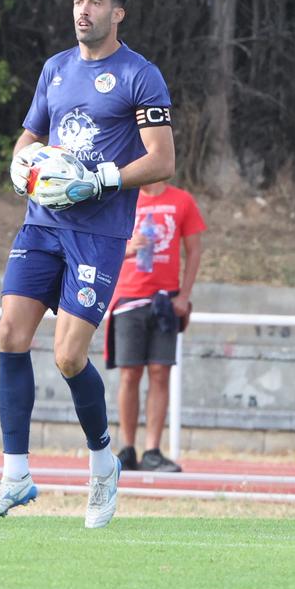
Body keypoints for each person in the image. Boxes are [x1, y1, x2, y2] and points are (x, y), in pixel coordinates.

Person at [0, 0, 175, 529]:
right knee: (10, 334)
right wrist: (22, 167)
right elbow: (30, 136)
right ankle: (16, 475)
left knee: (68, 356)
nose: (82, 10)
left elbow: (162, 159)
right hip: (41, 224)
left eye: (94, 2)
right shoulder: (55, 69)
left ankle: (103, 462)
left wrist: (103, 180)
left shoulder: (141, 74)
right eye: (77, 1)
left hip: (98, 231)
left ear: (118, 12)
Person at [108, 181, 205, 473]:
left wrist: (184, 297)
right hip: (128, 296)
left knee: (160, 372)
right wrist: (129, 248)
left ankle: (152, 449)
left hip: (165, 298)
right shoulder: (123, 198)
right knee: (129, 373)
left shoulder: (182, 200)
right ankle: (127, 448)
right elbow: (103, 241)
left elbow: (195, 251)